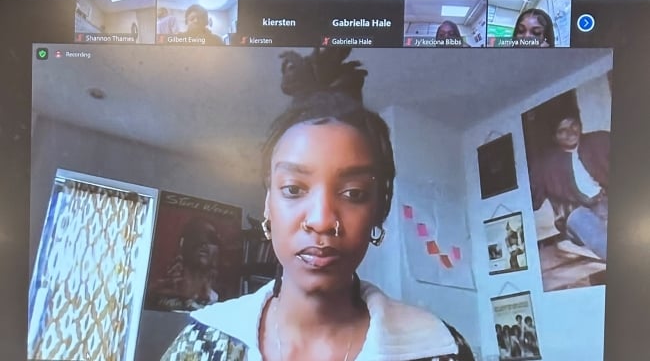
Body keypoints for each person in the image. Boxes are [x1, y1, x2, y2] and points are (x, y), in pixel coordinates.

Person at [161, 47, 474, 360]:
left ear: (379, 210)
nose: (322, 220)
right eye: (294, 189)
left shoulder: (439, 348)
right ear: (268, 206)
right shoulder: (203, 341)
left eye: (353, 193)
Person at [530, 116, 609, 260]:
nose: (570, 132)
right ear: (554, 136)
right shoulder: (545, 164)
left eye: (573, 125)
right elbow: (533, 200)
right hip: (578, 213)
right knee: (581, 220)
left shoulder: (599, 140)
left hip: (606, 200)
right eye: (562, 130)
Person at [148, 217, 221, 311]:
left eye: (211, 238)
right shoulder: (157, 293)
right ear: (182, 243)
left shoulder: (215, 301)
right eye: (197, 236)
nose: (204, 243)